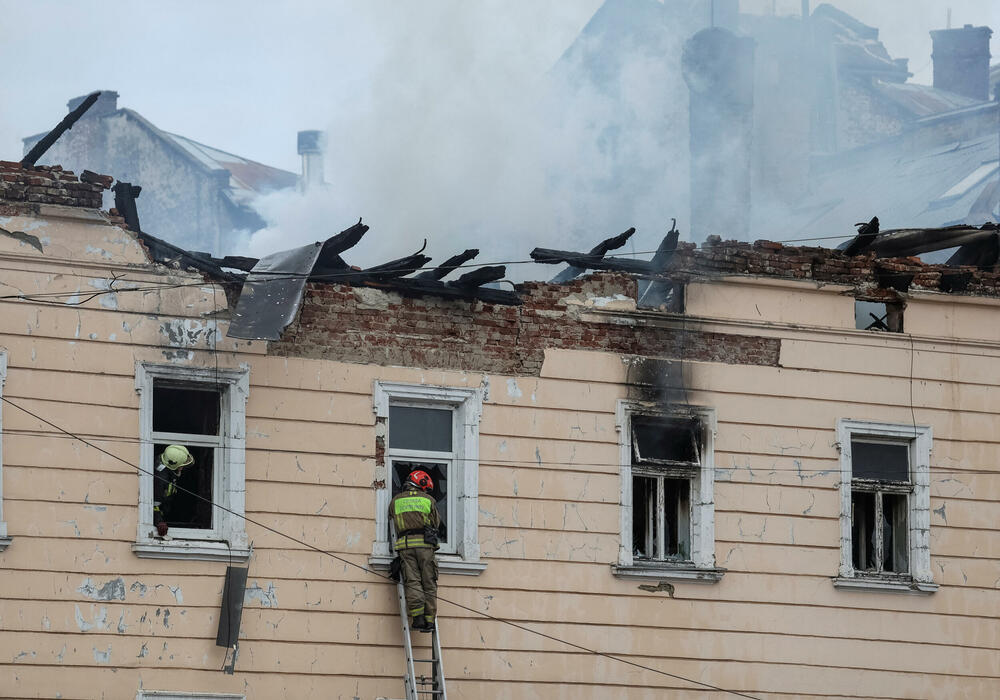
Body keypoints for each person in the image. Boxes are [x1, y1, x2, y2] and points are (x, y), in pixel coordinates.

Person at [389, 469, 442, 632]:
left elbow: (392, 520)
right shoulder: (428, 500)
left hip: (405, 547)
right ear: (422, 485)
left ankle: (417, 618)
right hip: (425, 547)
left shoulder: (396, 501)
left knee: (412, 582)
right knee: (429, 582)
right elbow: (436, 523)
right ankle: (429, 620)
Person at [153, 444, 194, 537]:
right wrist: (159, 522)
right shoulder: (160, 480)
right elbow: (153, 505)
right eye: (181, 466)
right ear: (173, 465)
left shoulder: (167, 468)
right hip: (160, 515)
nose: (182, 468)